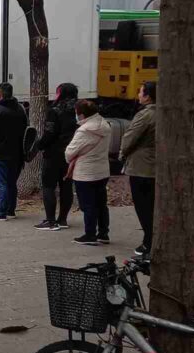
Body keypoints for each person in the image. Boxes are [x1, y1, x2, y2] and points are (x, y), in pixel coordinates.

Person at [65, 100, 112, 246]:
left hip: (85, 173)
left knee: (88, 205)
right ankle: (103, 233)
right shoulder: (105, 125)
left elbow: (70, 152)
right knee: (101, 203)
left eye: (76, 112)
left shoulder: (84, 131)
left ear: (81, 115)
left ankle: (90, 235)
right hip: (102, 171)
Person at [34, 83, 79, 231]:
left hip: (53, 154)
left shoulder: (54, 111)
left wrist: (39, 145)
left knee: (48, 186)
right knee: (66, 186)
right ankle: (63, 219)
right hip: (71, 153)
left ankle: (50, 220)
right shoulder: (78, 111)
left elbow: (49, 133)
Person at [119, 81, 157, 256]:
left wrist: (122, 154)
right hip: (156, 166)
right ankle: (152, 240)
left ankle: (149, 242)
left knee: (144, 207)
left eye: (141, 92)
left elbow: (130, 137)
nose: (139, 95)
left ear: (148, 96)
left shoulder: (145, 115)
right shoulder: (165, 113)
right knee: (152, 206)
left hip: (141, 167)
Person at [0, 83, 28, 221]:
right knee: (11, 183)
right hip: (17, 152)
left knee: (1, 183)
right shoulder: (20, 109)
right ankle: (10, 210)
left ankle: (0, 212)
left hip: (1, 152)